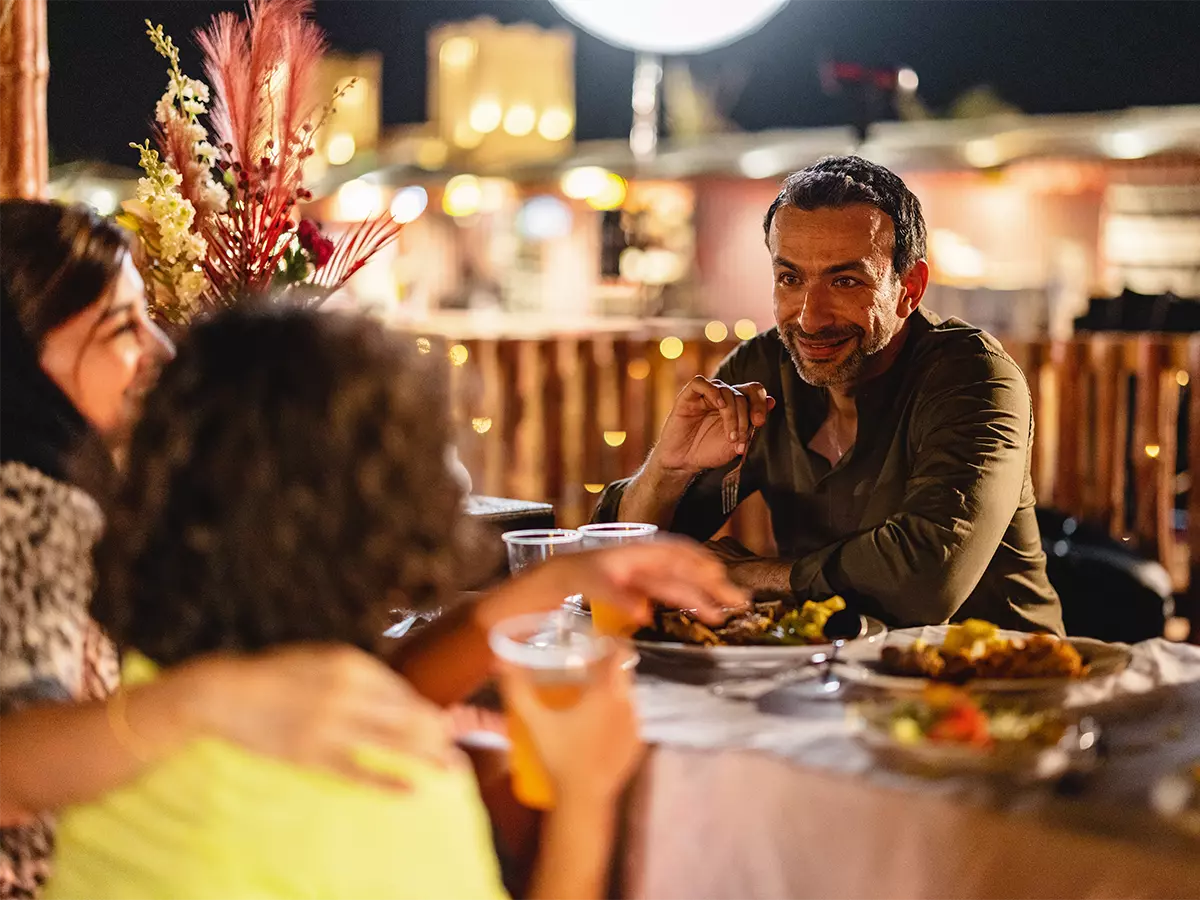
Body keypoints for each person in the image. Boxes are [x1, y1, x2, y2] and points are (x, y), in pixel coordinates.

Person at [47, 309, 742, 900]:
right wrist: (586, 798)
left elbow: (369, 686)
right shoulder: (386, 784)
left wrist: (549, 581)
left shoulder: (141, 706)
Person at [0, 200, 463, 898]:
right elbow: (12, 767)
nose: (158, 349)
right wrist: (208, 700)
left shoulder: (74, 495)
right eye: (122, 326)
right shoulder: (31, 507)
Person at [595, 156, 1064, 634]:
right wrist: (667, 472)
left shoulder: (974, 379)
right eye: (790, 278)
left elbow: (925, 580)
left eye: (845, 281)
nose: (809, 317)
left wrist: (750, 574)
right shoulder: (761, 371)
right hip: (829, 687)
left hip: (1005, 685)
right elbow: (625, 562)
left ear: (909, 288)